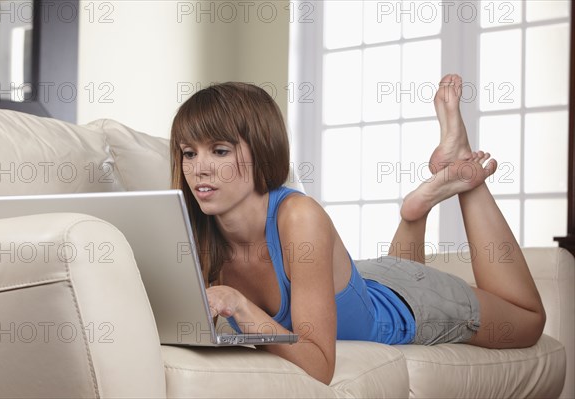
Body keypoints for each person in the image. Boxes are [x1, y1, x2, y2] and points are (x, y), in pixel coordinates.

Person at [169, 74, 546, 385]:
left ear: (263, 149)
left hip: (410, 303)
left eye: (219, 151)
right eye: (189, 153)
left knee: (528, 322)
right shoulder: (195, 230)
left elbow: (319, 365)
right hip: (368, 279)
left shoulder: (299, 217)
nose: (198, 168)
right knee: (393, 277)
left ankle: (466, 173)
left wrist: (239, 305)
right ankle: (416, 211)